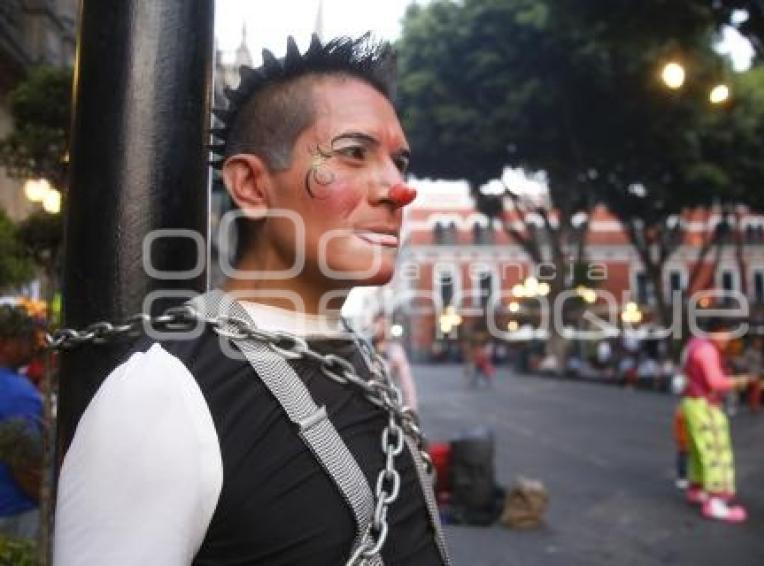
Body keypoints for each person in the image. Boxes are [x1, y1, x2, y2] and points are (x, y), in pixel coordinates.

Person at [55, 35, 450, 565]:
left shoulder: (365, 361)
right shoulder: (158, 397)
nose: (400, 188)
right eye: (354, 153)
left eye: (400, 161)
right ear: (252, 186)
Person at [679, 320, 751, 522]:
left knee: (699, 450)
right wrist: (741, 381)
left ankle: (698, 488)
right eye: (727, 332)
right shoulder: (707, 350)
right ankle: (716, 501)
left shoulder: (694, 344)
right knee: (716, 450)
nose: (728, 339)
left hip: (691, 403)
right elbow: (716, 382)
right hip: (705, 405)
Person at [0, 305, 42, 541]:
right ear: (5, 342)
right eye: (26, 338)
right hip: (16, 516)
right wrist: (51, 503)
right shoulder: (18, 393)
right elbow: (26, 468)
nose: (32, 345)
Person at [372, 314, 418, 413]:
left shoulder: (395, 350)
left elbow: (407, 383)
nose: (382, 327)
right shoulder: (367, 348)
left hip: (389, 403)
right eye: (379, 324)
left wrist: (411, 409)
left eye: (385, 324)